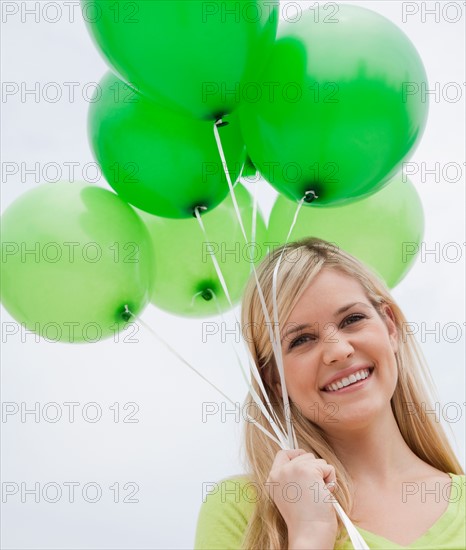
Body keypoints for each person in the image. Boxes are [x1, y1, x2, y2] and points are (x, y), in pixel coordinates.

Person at [194, 237, 465, 549]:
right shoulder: (241, 510)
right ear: (274, 380)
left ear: (390, 327)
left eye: (352, 319)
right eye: (301, 340)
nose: (338, 351)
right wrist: (310, 532)